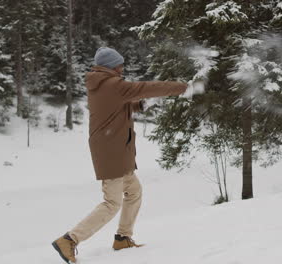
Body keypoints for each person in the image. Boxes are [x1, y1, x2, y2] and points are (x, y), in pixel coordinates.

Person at [52, 47, 190, 263]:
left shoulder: (102, 84)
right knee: (111, 202)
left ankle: (123, 238)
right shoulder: (112, 84)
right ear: (111, 66)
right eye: (119, 64)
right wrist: (183, 87)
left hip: (115, 148)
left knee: (134, 191)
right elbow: (145, 87)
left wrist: (141, 104)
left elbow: (121, 105)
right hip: (111, 151)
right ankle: (69, 240)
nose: (122, 68)